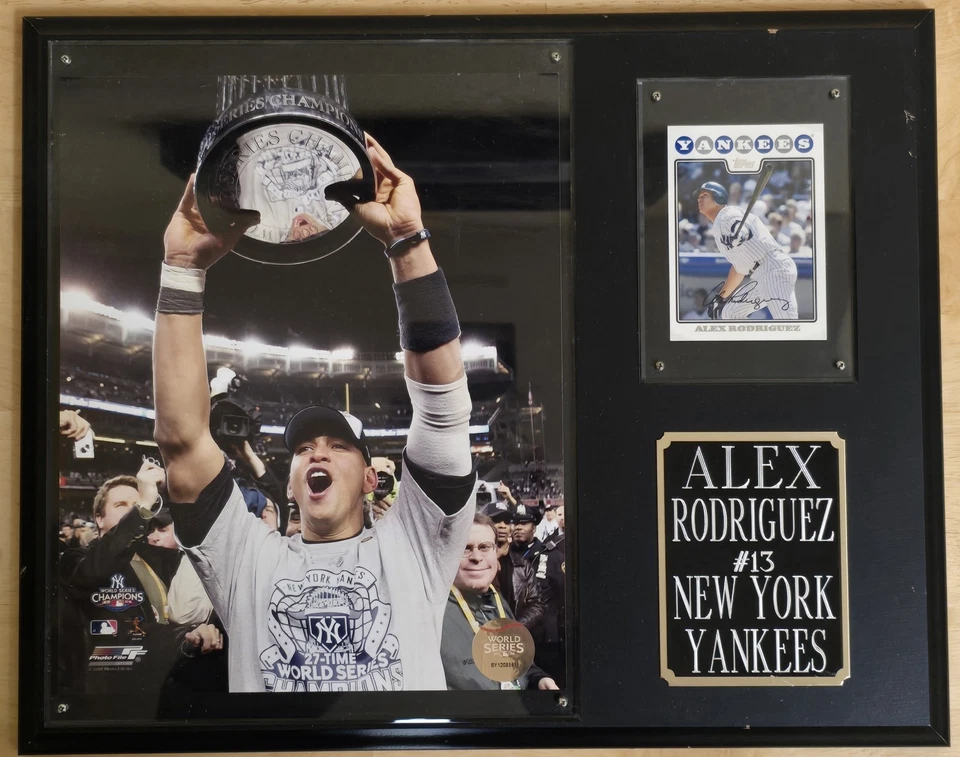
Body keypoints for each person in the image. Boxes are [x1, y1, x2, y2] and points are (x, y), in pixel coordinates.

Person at [153, 134, 476, 693]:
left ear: (372, 480)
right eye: (303, 450)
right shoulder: (246, 559)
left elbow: (444, 409)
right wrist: (181, 269)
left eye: (338, 446)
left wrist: (407, 242)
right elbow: (182, 441)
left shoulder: (416, 546)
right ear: (294, 488)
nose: (316, 453)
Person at [58, 460, 222, 700]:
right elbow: (124, 631)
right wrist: (143, 506)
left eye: (135, 504)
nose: (132, 509)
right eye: (121, 504)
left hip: (161, 685)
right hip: (107, 692)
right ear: (99, 518)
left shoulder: (160, 558)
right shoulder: (75, 560)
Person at [440, 515, 557, 690]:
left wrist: (537, 678)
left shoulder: (496, 600)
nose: (477, 557)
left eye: (485, 547)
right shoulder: (433, 613)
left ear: (497, 553)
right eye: (465, 548)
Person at [694, 181, 798, 320]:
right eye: (699, 196)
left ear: (718, 197)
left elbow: (739, 227)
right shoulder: (718, 229)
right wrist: (719, 298)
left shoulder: (727, 213)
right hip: (760, 274)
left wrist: (738, 235)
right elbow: (738, 270)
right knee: (730, 313)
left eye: (705, 195)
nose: (699, 199)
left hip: (773, 268)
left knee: (788, 323)